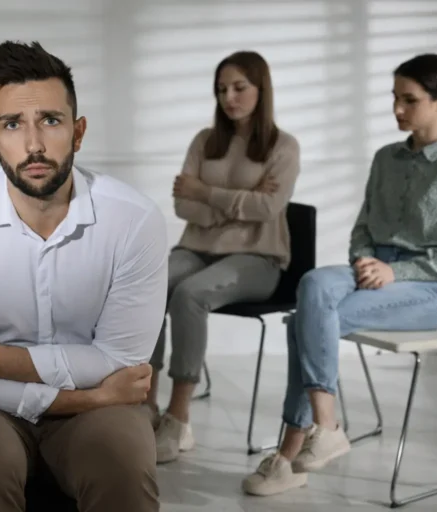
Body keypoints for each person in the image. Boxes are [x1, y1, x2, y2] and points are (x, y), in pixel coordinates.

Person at [0, 41, 167, 512]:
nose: (33, 145)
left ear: (78, 130)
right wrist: (84, 399)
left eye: (50, 120)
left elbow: (120, 362)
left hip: (94, 400)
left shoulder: (134, 220)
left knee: (123, 474)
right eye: (12, 124)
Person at [242, 52, 437, 496]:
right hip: (372, 269)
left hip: (430, 288)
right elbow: (362, 224)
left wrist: (395, 271)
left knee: (305, 319)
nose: (397, 109)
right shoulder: (386, 158)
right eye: (394, 97)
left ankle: (288, 455)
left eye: (409, 100)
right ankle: (327, 425)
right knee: (314, 283)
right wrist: (363, 260)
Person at [145, 50, 300, 463]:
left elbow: (267, 210)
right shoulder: (204, 141)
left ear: (261, 88)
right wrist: (234, 204)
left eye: (238, 87)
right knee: (147, 286)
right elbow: (183, 206)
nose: (228, 97)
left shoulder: (283, 147)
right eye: (221, 89)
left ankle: (179, 420)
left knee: (189, 295)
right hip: (195, 248)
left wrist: (207, 195)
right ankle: (144, 405)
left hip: (258, 258)